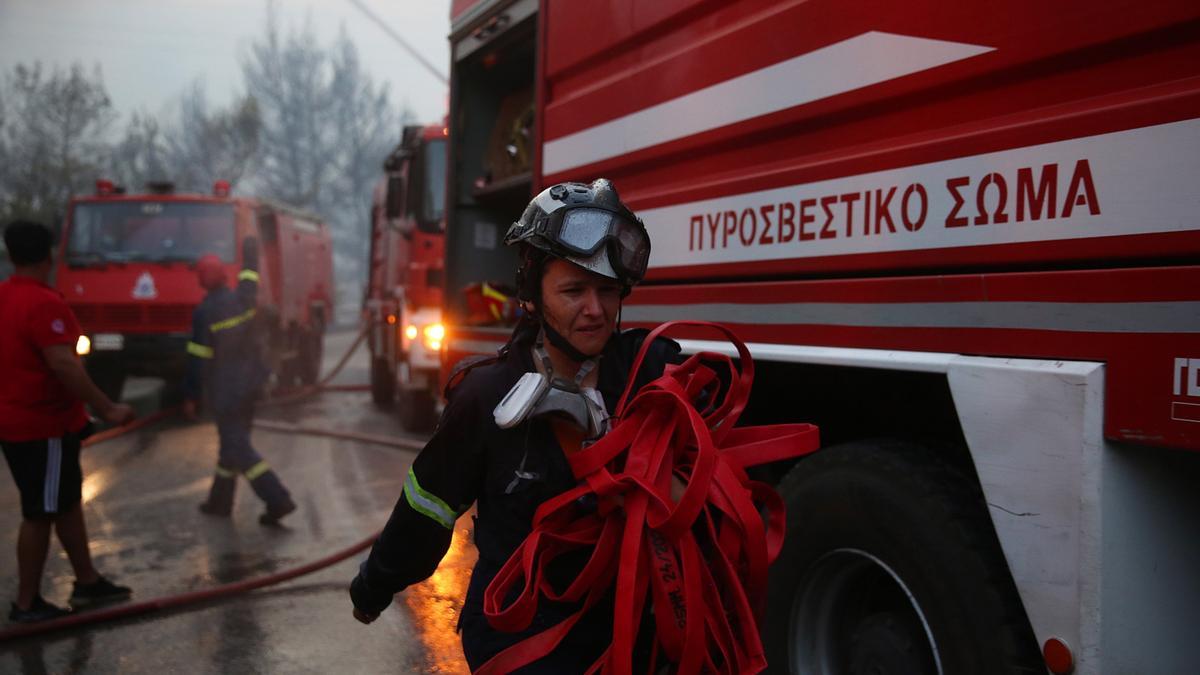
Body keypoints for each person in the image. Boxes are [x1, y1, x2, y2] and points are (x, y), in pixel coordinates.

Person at [350, 179, 678, 671]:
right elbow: (426, 511)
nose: (595, 309)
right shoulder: (486, 398)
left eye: (607, 290)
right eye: (574, 290)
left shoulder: (646, 380)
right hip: (522, 646)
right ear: (530, 293)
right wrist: (373, 585)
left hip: (626, 644)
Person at [0, 220, 136, 623]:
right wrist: (107, 407)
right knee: (41, 512)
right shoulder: (44, 303)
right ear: (50, 256)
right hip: (43, 428)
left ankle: (88, 582)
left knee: (66, 503)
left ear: (9, 256)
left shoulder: (4, 298)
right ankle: (27, 604)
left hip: (18, 422)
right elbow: (63, 363)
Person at [183, 238, 295, 525]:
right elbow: (250, 277)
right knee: (230, 444)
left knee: (238, 446)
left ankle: (277, 499)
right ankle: (219, 502)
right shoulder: (243, 299)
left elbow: (198, 360)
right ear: (223, 276)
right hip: (252, 386)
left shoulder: (204, 314)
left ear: (202, 282)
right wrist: (250, 251)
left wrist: (191, 395)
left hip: (226, 392)